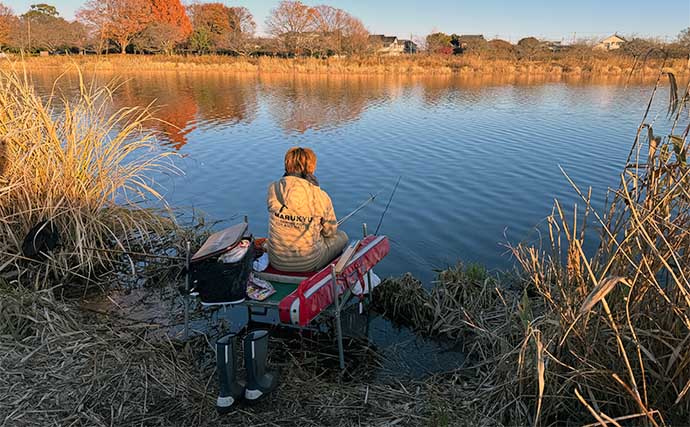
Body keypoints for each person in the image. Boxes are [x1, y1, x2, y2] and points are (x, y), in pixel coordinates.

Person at [266, 147, 348, 272]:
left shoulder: (273, 189)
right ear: (311, 168)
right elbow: (330, 232)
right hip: (309, 264)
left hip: (275, 261)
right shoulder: (320, 195)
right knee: (342, 236)